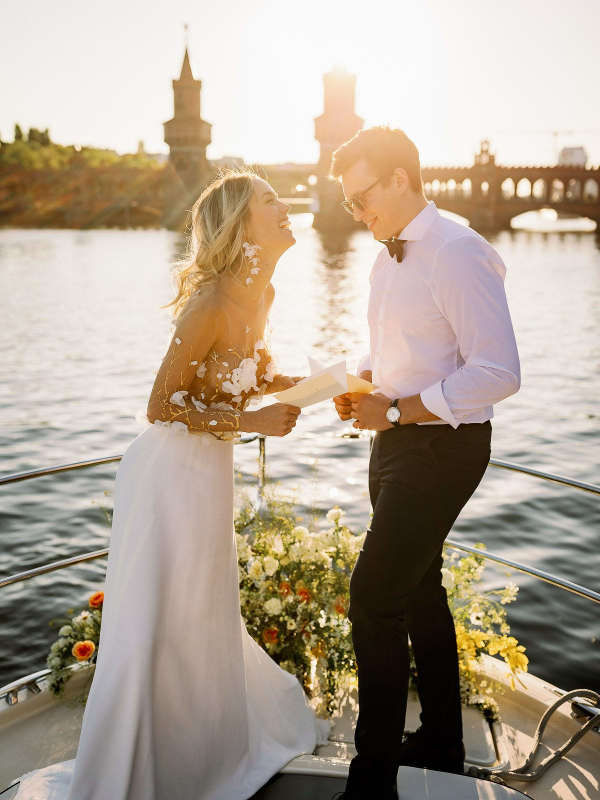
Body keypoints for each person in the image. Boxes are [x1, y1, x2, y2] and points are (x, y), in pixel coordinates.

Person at [13, 167, 330, 800]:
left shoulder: (262, 296)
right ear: (242, 226)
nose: (287, 206)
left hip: (210, 473)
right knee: (163, 614)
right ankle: (144, 757)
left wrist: (320, 387)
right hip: (166, 476)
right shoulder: (210, 301)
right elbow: (161, 404)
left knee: (204, 607)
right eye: (272, 202)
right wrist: (254, 420)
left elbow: (250, 374)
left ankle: (204, 748)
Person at [329, 126, 520, 800]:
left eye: (361, 198)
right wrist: (355, 384)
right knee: (416, 590)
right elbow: (396, 350)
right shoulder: (387, 258)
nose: (356, 212)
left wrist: (400, 409)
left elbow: (498, 372)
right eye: (349, 202)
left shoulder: (460, 251)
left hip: (443, 446)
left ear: (401, 180)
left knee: (372, 596)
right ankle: (441, 736)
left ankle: (371, 780)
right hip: (393, 442)